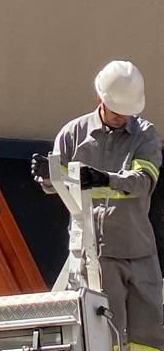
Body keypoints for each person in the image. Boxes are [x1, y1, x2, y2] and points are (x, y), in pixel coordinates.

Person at [31, 61, 164, 351]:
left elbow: (142, 181)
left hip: (138, 252)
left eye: (126, 112)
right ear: (100, 99)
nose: (121, 118)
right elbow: (56, 184)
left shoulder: (145, 135)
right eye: (116, 111)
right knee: (103, 335)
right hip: (94, 255)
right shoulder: (73, 134)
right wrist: (46, 174)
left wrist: (105, 179)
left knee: (148, 334)